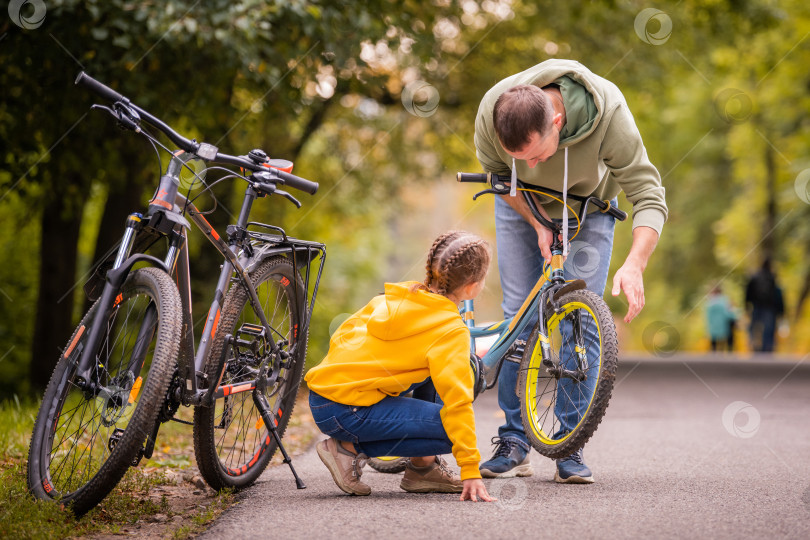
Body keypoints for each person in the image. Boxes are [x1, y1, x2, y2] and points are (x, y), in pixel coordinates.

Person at [473, 59, 668, 483]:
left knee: (583, 317)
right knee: (519, 311)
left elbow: (649, 195)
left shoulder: (610, 116)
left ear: (557, 121)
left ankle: (570, 441)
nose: (534, 163)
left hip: (589, 208)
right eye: (521, 157)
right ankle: (514, 440)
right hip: (520, 202)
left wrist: (635, 264)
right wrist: (537, 221)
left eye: (538, 154)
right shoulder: (493, 110)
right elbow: (498, 177)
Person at [305, 231, 496, 502]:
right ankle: (346, 448)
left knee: (429, 371)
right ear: (471, 288)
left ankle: (422, 469)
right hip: (347, 410)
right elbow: (457, 404)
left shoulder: (394, 297)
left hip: (322, 395)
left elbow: (344, 334)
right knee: (452, 431)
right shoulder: (450, 330)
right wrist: (470, 469)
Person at [745, 258, 784, 352]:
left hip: (756, 305)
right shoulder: (771, 277)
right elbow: (776, 295)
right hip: (769, 307)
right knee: (768, 328)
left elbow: (748, 292)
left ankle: (755, 344)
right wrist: (781, 310)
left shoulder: (754, 276)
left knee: (754, 326)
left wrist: (746, 304)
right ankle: (767, 347)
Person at [705, 285, 737, 352]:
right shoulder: (724, 300)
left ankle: (714, 352)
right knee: (728, 336)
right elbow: (728, 313)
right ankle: (729, 351)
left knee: (714, 339)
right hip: (723, 324)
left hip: (713, 325)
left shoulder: (709, 301)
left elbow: (707, 315)